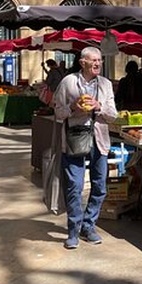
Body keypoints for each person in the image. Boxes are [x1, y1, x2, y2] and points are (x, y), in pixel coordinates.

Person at [53, 46, 118, 250]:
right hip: (74, 139)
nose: (98, 63)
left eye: (100, 60)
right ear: (83, 63)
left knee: (99, 186)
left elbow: (113, 115)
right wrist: (73, 108)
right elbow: (57, 113)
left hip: (99, 140)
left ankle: (89, 226)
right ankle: (73, 230)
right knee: (74, 186)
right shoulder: (68, 82)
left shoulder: (105, 84)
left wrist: (99, 107)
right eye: (93, 60)